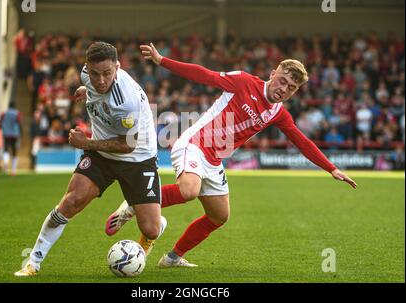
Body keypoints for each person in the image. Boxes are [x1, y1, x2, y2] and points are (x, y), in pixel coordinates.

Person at [105, 42, 358, 268]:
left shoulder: (278, 113)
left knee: (219, 216)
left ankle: (172, 258)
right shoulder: (244, 81)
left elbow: (301, 141)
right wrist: (163, 61)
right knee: (189, 191)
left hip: (215, 159)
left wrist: (331, 168)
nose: (284, 88)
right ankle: (134, 204)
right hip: (195, 143)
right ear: (273, 74)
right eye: (282, 80)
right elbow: (204, 75)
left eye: (291, 87)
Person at [15, 41, 166, 276]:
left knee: (152, 228)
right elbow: (95, 86)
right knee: (71, 202)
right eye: (95, 74)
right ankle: (33, 262)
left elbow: (127, 145)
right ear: (86, 68)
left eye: (107, 73)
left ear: (117, 66)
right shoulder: (87, 76)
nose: (101, 80)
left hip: (137, 157)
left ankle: (131, 209)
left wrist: (85, 143)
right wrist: (88, 91)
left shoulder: (126, 102)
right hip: (101, 155)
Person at [0, 102, 22, 176]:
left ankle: (6, 165)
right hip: (14, 134)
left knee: (6, 149)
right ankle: (13, 170)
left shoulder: (4, 113)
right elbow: (19, 123)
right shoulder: (17, 113)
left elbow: (0, 123)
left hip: (6, 134)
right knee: (14, 151)